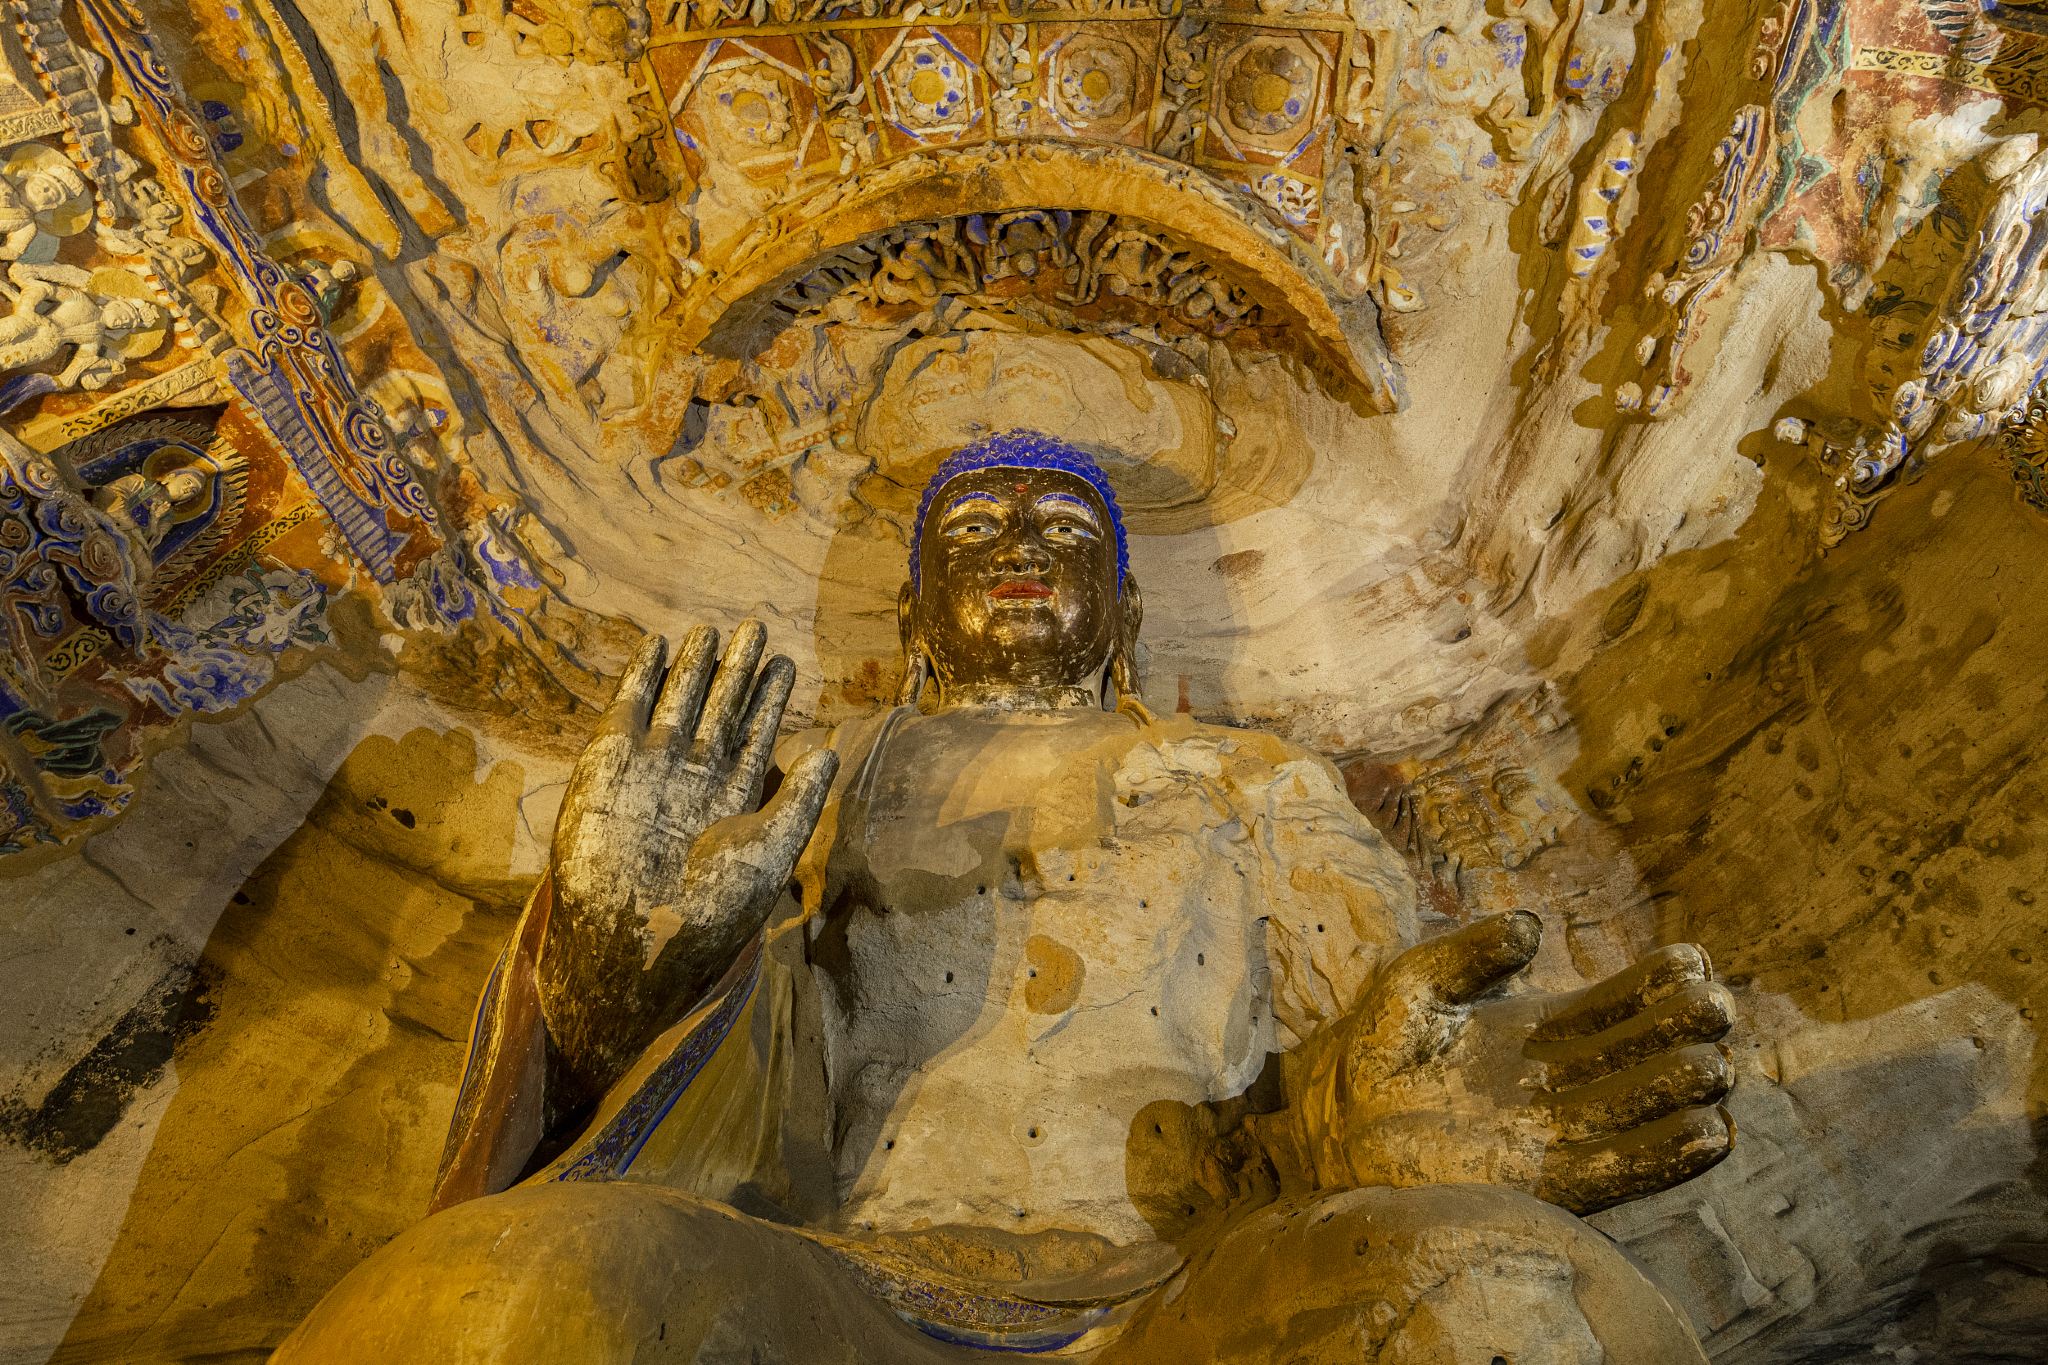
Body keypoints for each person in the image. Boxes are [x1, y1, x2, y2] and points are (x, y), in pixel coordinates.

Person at [276, 431, 1734, 1362]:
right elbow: (680, 1102)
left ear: (1129, 609)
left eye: (1062, 528)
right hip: (847, 1285)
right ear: (913, 614)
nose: (1024, 547)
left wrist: (1413, 1122)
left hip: (1183, 1291)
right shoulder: (813, 783)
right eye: (974, 529)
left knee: (1499, 1291)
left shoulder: (1256, 785)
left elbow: (1353, 1072)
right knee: (519, 1288)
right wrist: (617, 961)